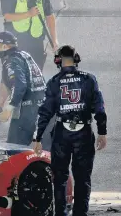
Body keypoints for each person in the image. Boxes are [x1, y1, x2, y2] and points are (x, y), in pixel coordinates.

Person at [33, 45, 107, 216]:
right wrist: (102, 132)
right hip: (84, 131)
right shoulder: (89, 79)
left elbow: (44, 112)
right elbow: (100, 108)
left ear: (58, 61)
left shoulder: (54, 81)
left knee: (59, 179)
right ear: (76, 59)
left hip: (61, 133)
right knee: (83, 179)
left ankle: (60, 213)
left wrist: (37, 137)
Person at [0, 0, 59, 71]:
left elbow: (49, 16)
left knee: (36, 75)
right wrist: (28, 14)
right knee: (16, 76)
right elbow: (7, 16)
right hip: (16, 42)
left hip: (36, 42)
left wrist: (54, 39)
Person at [0, 31, 46, 145]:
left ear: (4, 46)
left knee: (14, 148)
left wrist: (8, 110)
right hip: (41, 105)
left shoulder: (11, 61)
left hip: (26, 109)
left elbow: (19, 86)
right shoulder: (25, 55)